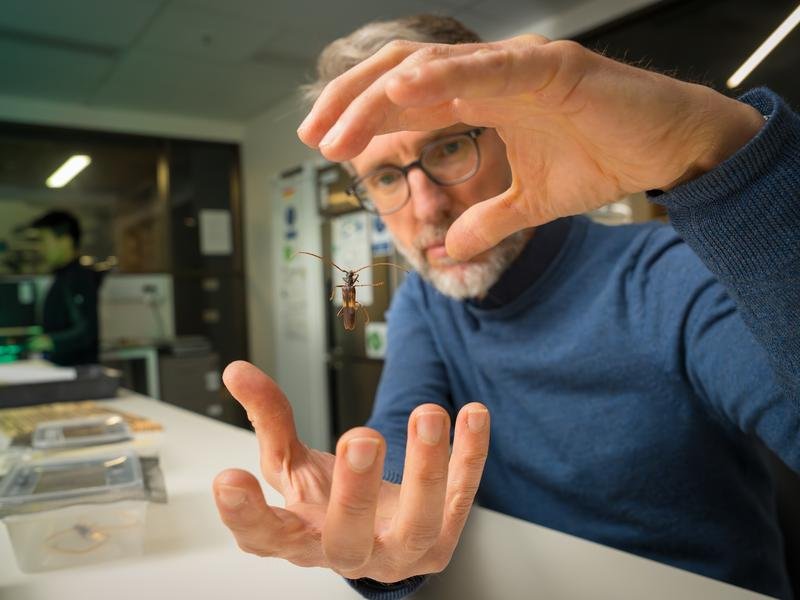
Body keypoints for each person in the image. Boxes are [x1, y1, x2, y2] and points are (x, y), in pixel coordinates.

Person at [212, 15, 800, 600]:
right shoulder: (428, 294)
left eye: (447, 147)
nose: (426, 206)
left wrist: (734, 164)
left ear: (513, 133)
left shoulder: (665, 275)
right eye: (387, 177)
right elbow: (404, 427)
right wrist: (378, 515)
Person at [28, 210, 100, 366]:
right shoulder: (62, 277)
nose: (40, 248)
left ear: (65, 241)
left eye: (43, 241)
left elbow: (86, 331)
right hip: (63, 371)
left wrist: (49, 341)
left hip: (77, 376)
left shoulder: (78, 277)